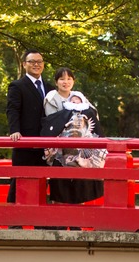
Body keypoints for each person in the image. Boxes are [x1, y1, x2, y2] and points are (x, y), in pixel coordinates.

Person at [42, 69, 105, 204]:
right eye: (62, 79)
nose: (66, 82)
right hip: (60, 148)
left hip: (80, 149)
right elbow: (52, 121)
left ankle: (77, 222)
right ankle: (59, 222)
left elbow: (93, 114)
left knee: (80, 184)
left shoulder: (79, 96)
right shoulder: (52, 98)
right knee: (61, 185)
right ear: (56, 82)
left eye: (69, 79)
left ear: (73, 81)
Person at [5, 49, 54, 203]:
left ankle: (41, 222)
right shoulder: (17, 86)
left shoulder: (50, 88)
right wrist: (15, 130)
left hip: (45, 143)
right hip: (25, 141)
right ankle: (14, 221)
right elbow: (13, 109)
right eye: (32, 61)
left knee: (42, 180)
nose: (36, 64)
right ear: (24, 64)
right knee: (19, 180)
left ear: (43, 65)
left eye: (39, 62)